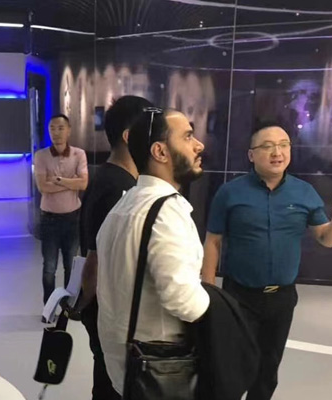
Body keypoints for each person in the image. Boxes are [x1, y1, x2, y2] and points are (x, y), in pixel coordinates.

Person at [201, 122, 332, 400]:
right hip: (238, 296)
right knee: (231, 368)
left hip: (281, 298)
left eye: (283, 145)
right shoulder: (230, 193)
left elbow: (326, 239)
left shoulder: (304, 192)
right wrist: (208, 294)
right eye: (267, 146)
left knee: (267, 371)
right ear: (251, 154)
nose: (277, 152)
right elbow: (213, 242)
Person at [96, 108, 210, 396]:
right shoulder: (166, 212)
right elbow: (183, 300)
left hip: (126, 365)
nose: (199, 145)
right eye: (188, 137)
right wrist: (225, 313)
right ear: (160, 151)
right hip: (161, 367)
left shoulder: (124, 206)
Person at [75, 95, 152, 400]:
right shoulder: (119, 188)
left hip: (104, 304)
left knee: (108, 378)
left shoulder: (110, 178)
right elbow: (98, 256)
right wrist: (86, 301)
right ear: (129, 137)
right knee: (113, 383)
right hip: (109, 306)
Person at [34, 114, 88, 308]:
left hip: (72, 218)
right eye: (52, 128)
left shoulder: (79, 154)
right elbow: (43, 187)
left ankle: (68, 306)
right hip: (49, 219)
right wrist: (71, 182)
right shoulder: (41, 156)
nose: (56, 132)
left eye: (60, 128)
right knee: (49, 267)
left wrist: (58, 180)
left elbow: (83, 184)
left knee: (70, 266)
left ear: (69, 130)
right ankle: (49, 307)